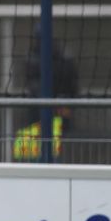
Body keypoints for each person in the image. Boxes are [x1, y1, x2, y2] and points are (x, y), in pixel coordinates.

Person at [14, 31, 79, 161]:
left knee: (56, 148)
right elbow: (34, 84)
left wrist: (66, 103)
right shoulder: (33, 59)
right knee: (36, 149)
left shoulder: (62, 59)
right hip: (38, 112)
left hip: (57, 111)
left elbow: (71, 84)